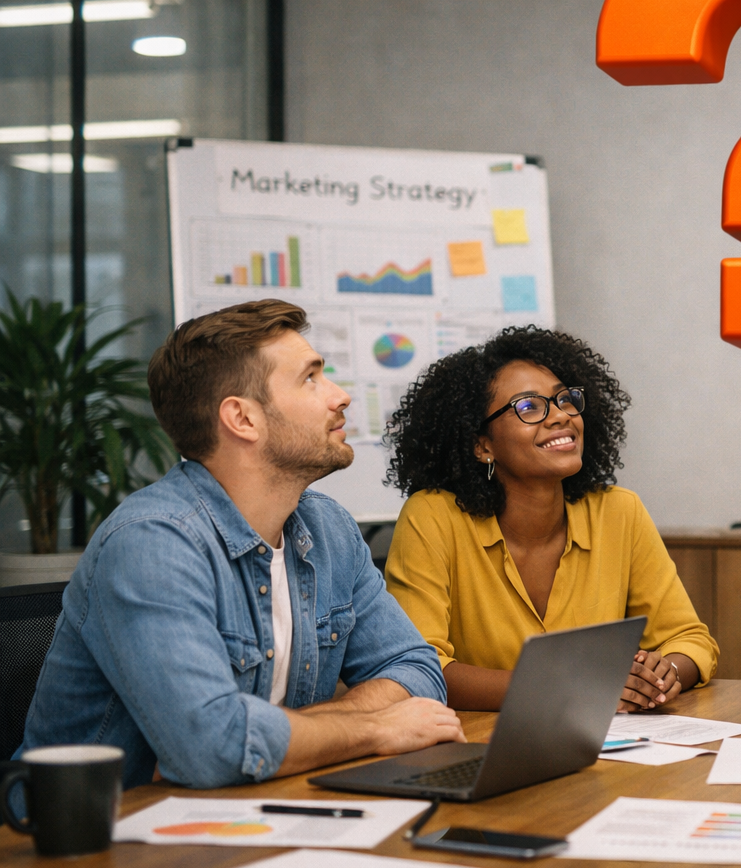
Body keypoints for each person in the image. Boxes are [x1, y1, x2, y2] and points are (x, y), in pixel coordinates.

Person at [16, 300, 463, 790]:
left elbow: (417, 671)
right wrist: (377, 726)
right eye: (311, 378)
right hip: (102, 840)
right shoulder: (152, 543)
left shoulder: (329, 527)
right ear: (243, 419)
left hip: (259, 805)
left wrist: (290, 735)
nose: (339, 396)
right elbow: (213, 750)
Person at [383, 325, 718, 713]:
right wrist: (571, 685)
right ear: (482, 445)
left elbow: (688, 638)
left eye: (565, 399)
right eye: (528, 407)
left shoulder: (619, 512)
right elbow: (420, 669)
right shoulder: (433, 517)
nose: (560, 416)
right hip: (475, 746)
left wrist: (661, 674)